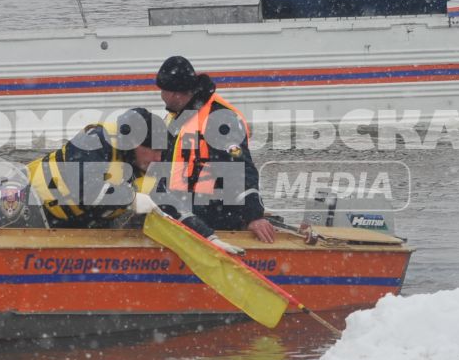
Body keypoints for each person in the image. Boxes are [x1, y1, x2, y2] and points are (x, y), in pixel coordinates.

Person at [153, 56, 276, 247]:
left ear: (175, 94)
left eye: (163, 91)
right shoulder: (177, 116)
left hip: (215, 218)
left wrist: (253, 215)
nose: (161, 95)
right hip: (183, 216)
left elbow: (241, 168)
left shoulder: (219, 118)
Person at [27, 107, 167, 230]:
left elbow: (169, 200)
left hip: (76, 223)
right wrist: (131, 198)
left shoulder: (145, 163)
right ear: (132, 143)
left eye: (161, 151)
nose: (158, 158)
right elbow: (87, 191)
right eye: (154, 150)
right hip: (31, 207)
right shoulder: (95, 140)